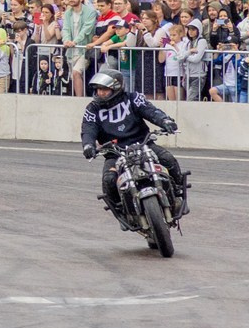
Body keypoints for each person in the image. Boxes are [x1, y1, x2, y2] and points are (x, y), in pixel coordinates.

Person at [80, 67, 189, 217]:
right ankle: (121, 210)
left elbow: (150, 111)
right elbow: (88, 128)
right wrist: (88, 145)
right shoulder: (92, 109)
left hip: (143, 145)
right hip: (114, 152)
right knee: (109, 179)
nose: (100, 93)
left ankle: (177, 192)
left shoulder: (133, 98)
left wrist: (165, 121)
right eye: (98, 89)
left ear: (116, 88)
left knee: (167, 158)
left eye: (104, 89)